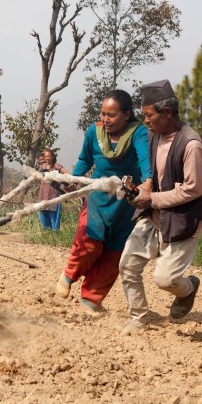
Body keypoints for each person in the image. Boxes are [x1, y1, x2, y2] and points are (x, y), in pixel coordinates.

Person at [118, 80, 202, 334]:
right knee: (128, 265)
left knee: (166, 279)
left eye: (149, 115)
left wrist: (153, 199)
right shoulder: (153, 135)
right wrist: (145, 187)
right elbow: (155, 174)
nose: (145, 121)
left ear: (167, 113)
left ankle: (188, 288)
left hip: (184, 219)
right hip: (154, 215)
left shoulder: (191, 145)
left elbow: (193, 189)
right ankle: (139, 317)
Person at [56, 90, 152, 314]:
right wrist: (73, 181)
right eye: (103, 114)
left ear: (127, 114)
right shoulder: (94, 132)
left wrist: (148, 182)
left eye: (112, 115)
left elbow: (145, 159)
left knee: (115, 253)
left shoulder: (138, 133)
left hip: (126, 203)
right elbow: (84, 160)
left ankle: (91, 300)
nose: (106, 119)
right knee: (90, 241)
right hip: (98, 199)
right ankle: (69, 274)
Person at [37, 149, 70, 231]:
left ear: (52, 157)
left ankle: (55, 232)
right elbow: (36, 176)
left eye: (49, 156)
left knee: (54, 212)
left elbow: (67, 174)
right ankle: (46, 231)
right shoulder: (42, 167)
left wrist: (64, 181)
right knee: (43, 210)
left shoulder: (57, 166)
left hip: (53, 193)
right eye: (45, 156)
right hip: (43, 193)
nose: (47, 158)